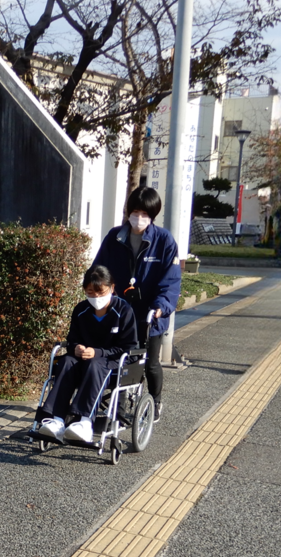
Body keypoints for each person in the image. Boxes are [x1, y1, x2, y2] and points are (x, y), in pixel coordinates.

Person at [93, 186, 181, 420]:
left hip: (150, 315)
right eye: (135, 212)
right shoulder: (115, 237)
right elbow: (99, 270)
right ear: (128, 212)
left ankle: (156, 401)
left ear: (152, 215)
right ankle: (117, 407)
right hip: (119, 313)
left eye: (145, 214)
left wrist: (161, 307)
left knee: (150, 363)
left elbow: (170, 281)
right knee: (121, 360)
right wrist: (97, 295)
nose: (139, 218)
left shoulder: (164, 240)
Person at [35, 265, 138, 443]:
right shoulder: (81, 310)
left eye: (100, 292)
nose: (96, 297)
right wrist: (75, 347)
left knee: (95, 364)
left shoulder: (123, 310)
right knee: (66, 362)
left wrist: (98, 352)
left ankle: (84, 422)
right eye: (90, 292)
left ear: (112, 288)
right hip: (82, 360)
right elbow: (72, 339)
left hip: (112, 361)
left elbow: (129, 347)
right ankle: (56, 419)